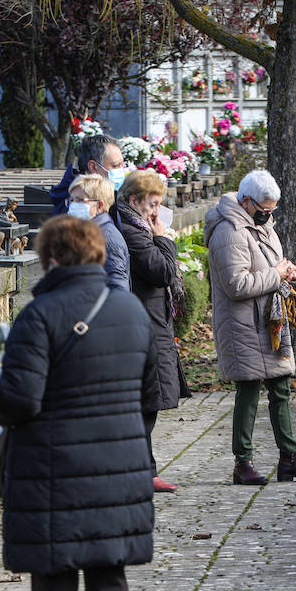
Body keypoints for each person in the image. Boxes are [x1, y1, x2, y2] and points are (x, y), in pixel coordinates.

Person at [0, 215, 156, 591]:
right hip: (120, 468)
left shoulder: (40, 315)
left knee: (55, 585)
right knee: (109, 582)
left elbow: (18, 401)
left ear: (51, 258)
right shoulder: (129, 309)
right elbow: (149, 393)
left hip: (53, 470)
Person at [203, 169, 296, 486]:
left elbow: (269, 268)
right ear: (247, 202)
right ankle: (242, 463)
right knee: (248, 389)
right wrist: (276, 274)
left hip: (269, 320)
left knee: (281, 386)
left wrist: (286, 272)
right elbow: (236, 284)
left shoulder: (263, 225)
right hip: (242, 324)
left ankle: (290, 458)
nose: (269, 215)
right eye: (265, 209)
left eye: (272, 209)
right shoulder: (228, 231)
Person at [116, 170, 191, 494]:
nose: (157, 212)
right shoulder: (134, 232)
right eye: (153, 204)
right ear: (135, 201)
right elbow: (161, 271)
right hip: (144, 321)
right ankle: (141, 471)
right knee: (145, 402)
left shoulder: (137, 226)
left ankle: (145, 470)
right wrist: (164, 239)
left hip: (152, 320)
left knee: (148, 402)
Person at [67, 174, 128, 290]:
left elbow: (119, 288)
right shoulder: (87, 232)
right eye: (72, 200)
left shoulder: (107, 238)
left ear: (100, 205)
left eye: (80, 200)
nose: (73, 205)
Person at [50, 134, 127, 215]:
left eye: (122, 165)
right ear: (93, 167)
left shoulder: (106, 192)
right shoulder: (77, 206)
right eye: (115, 165)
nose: (121, 170)